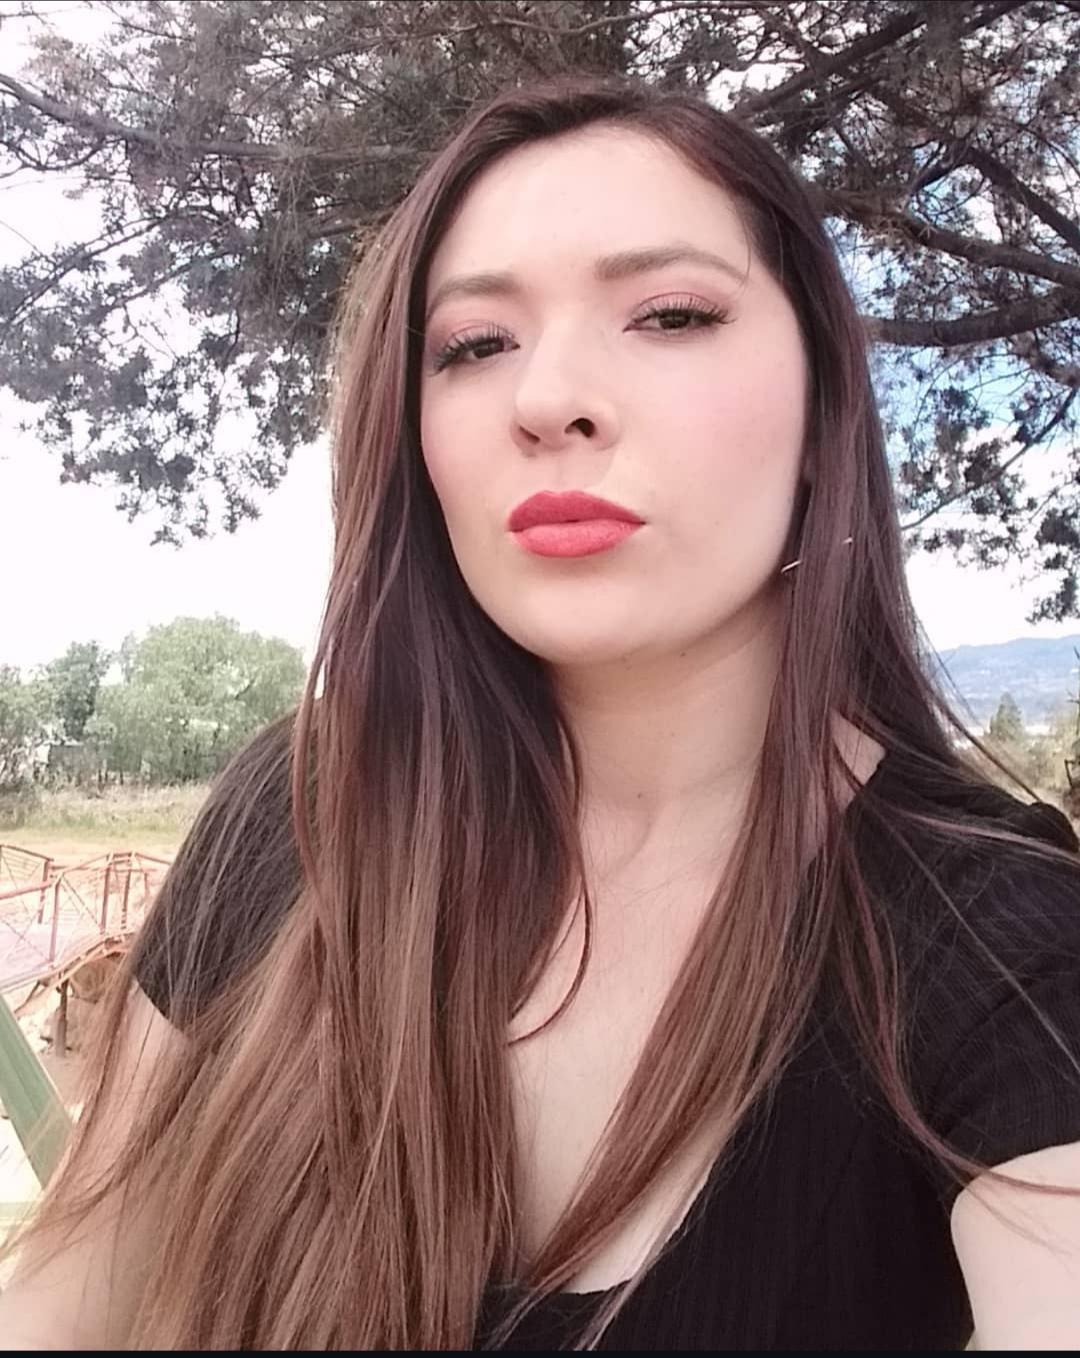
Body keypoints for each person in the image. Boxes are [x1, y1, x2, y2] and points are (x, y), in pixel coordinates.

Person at [3, 72, 1080, 1352]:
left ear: (821, 411)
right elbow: (68, 1293)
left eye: (671, 314)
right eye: (474, 344)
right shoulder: (298, 813)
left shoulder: (1002, 937)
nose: (547, 396)